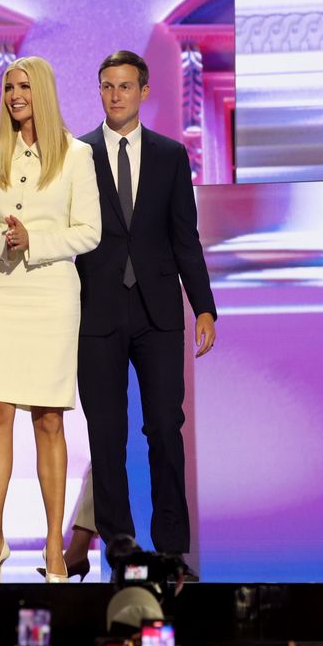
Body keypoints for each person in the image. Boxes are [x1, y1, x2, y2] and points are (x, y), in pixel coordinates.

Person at [76, 51, 217, 576]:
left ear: (143, 91)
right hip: (97, 311)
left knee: (164, 427)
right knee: (106, 432)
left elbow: (186, 237)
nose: (116, 95)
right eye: (107, 85)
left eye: (125, 86)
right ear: (100, 90)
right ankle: (119, 544)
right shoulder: (77, 154)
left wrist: (204, 306)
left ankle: (172, 546)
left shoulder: (170, 156)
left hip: (159, 312)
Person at [0, 56, 101, 583]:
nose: (14, 94)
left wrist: (37, 241)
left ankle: (54, 546)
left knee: (49, 419)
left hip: (51, 293)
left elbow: (89, 231)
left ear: (42, 91)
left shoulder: (76, 155)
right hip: (0, 289)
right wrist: (2, 238)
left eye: (23, 86)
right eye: (7, 86)